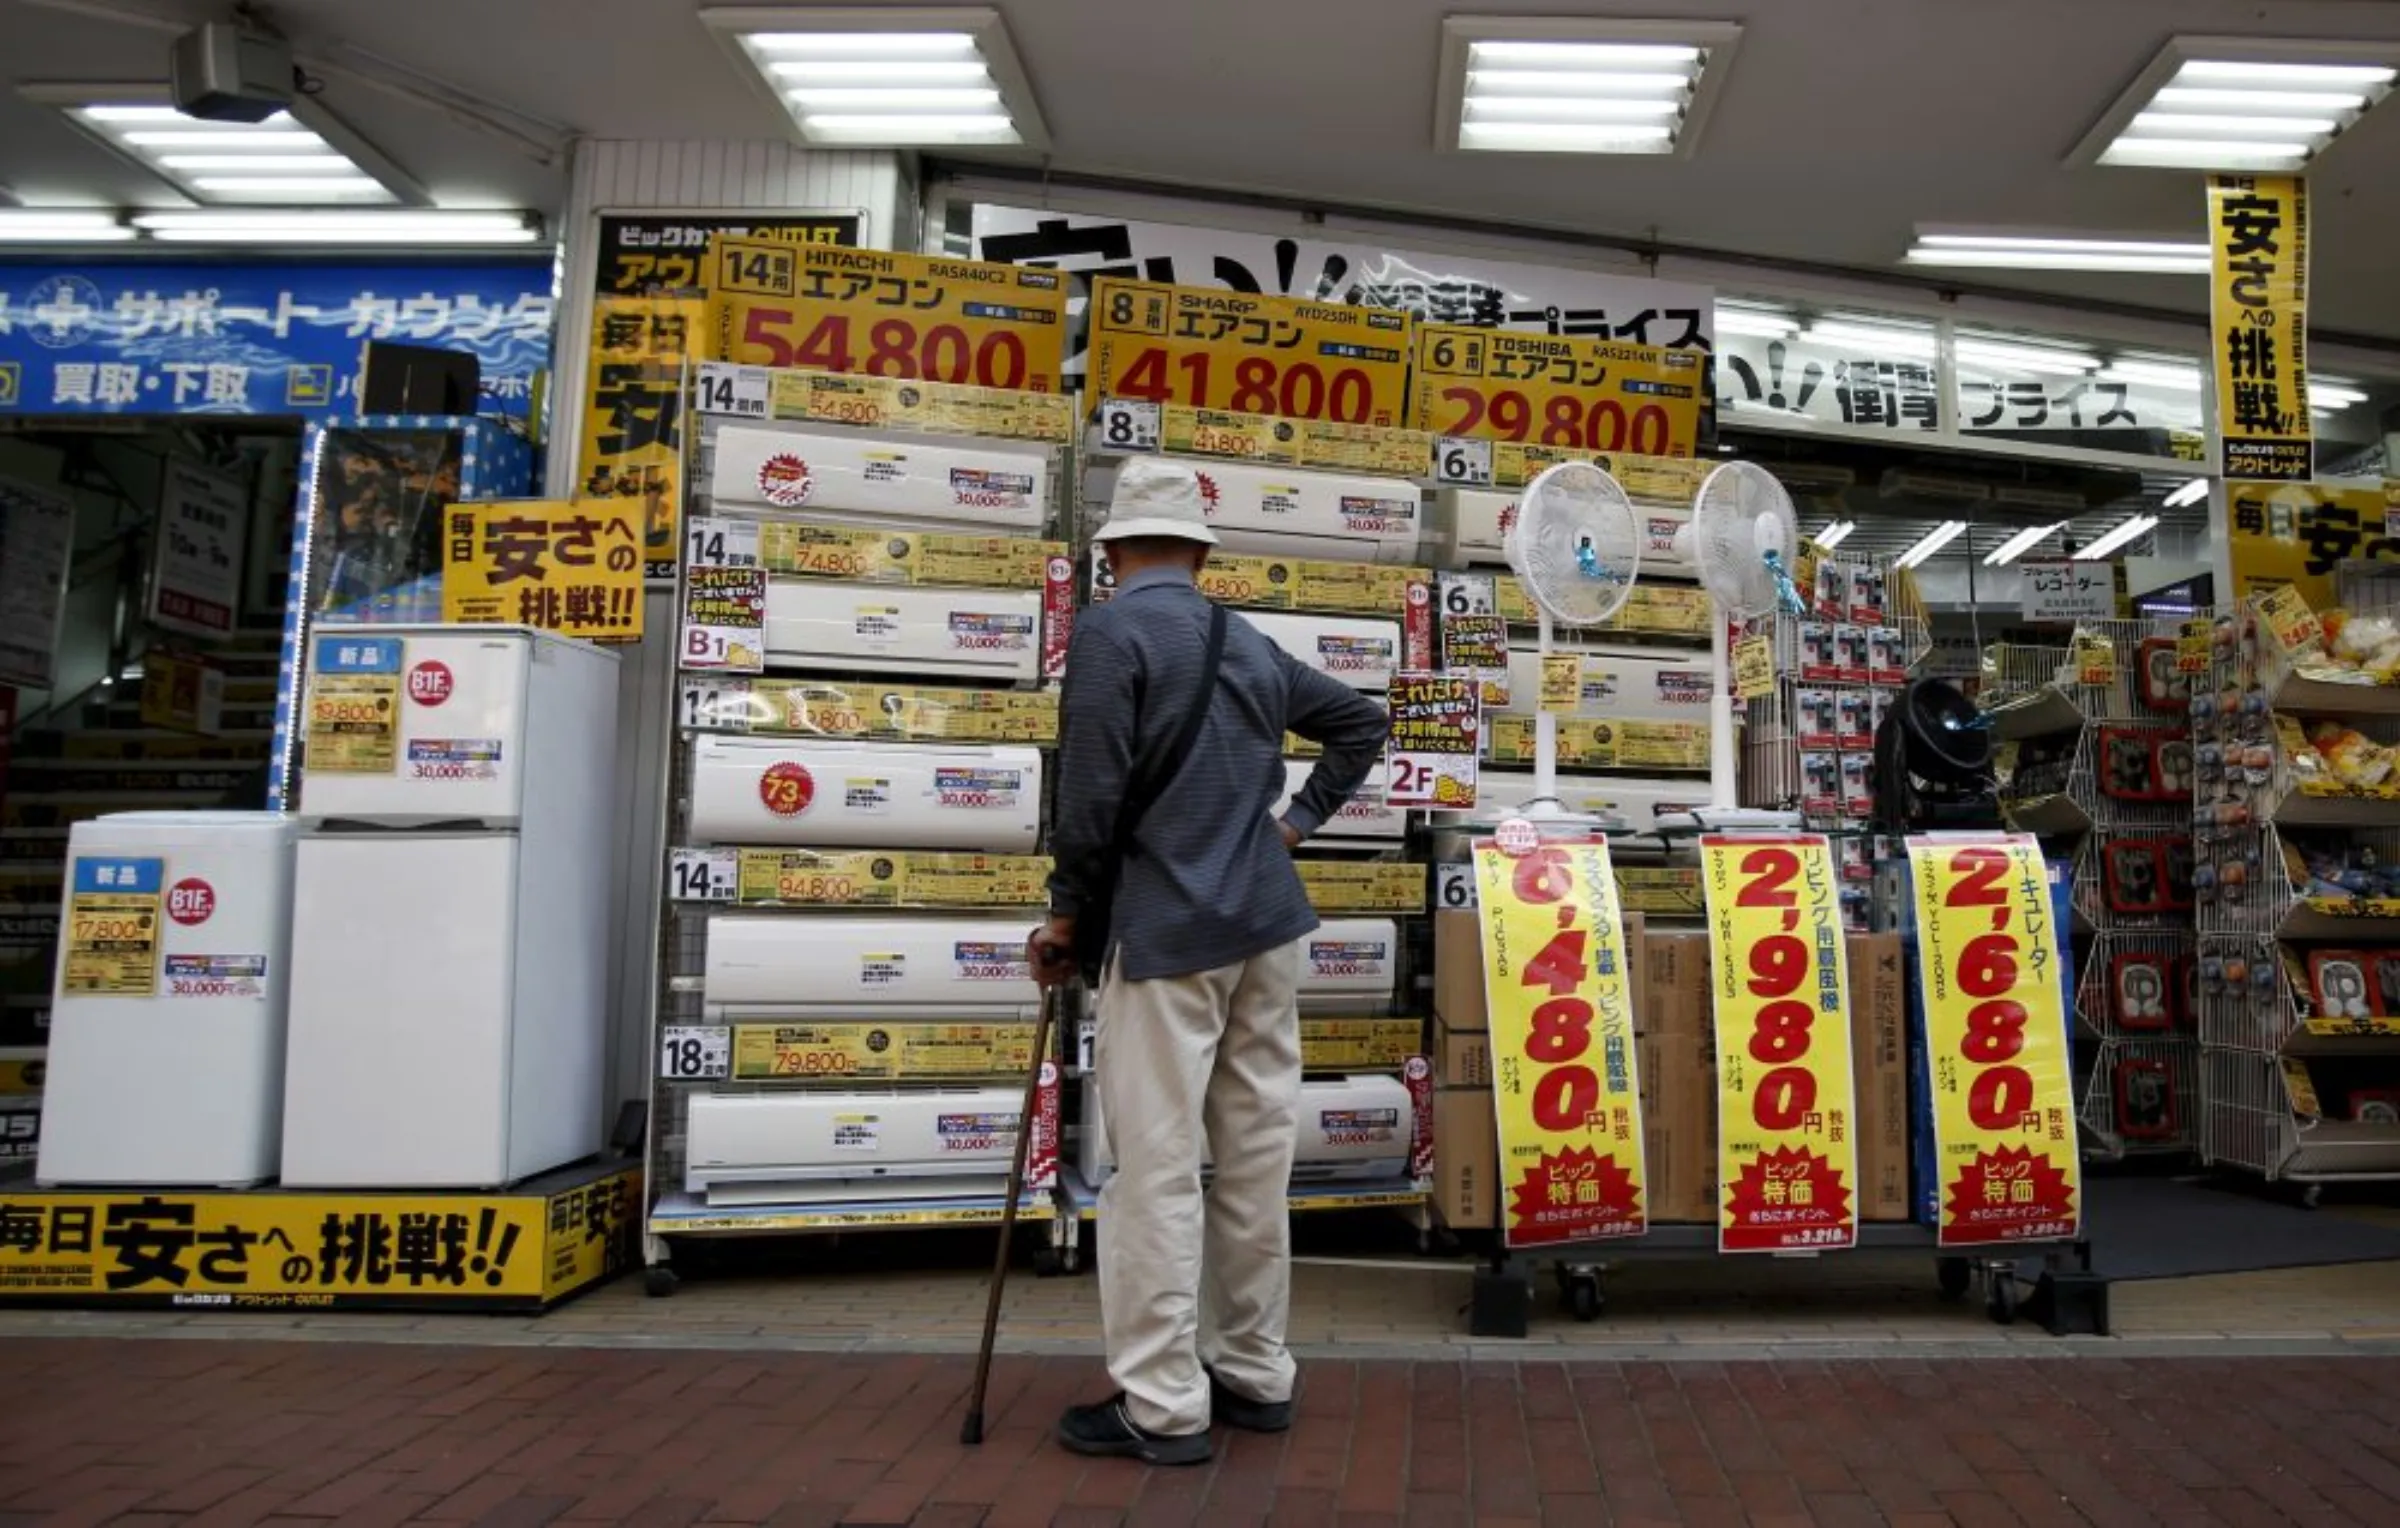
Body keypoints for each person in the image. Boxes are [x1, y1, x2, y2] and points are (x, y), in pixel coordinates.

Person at [1027, 457, 1390, 1466]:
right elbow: (1362, 722)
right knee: (1255, 1161)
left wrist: (1065, 916)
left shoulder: (1111, 632)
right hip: (1267, 934)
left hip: (1168, 938)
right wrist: (1296, 825)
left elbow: (1090, 803)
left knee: (1153, 1171)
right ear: (1198, 550)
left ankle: (1162, 1403)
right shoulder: (1245, 638)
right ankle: (1254, 1370)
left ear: (1112, 552)